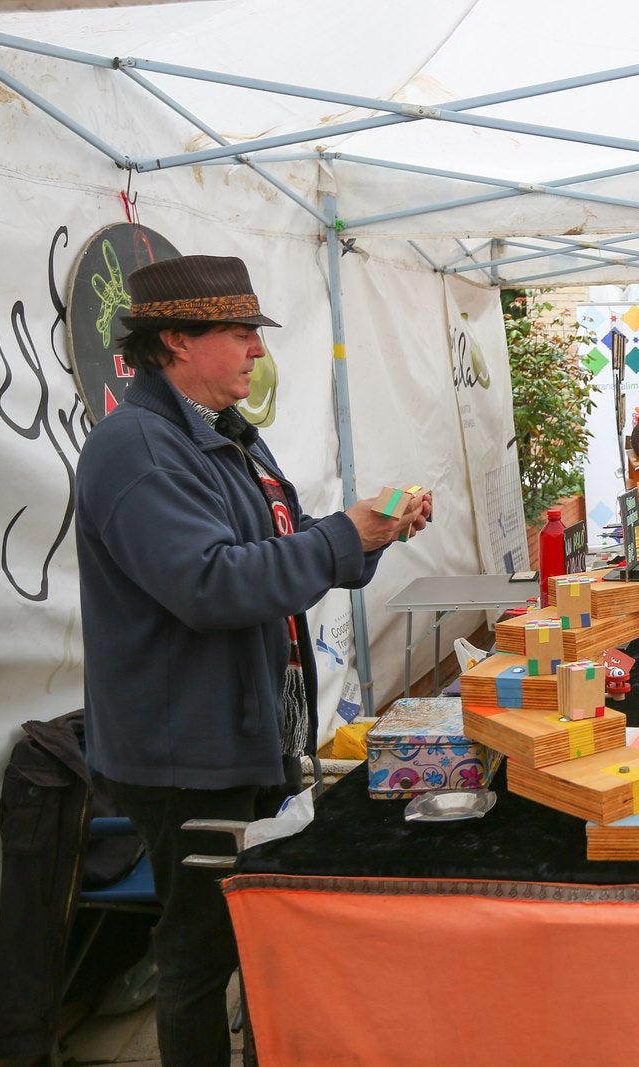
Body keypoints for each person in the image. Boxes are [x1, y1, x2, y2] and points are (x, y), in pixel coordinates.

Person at [75, 255, 431, 1066]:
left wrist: (374, 530)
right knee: (199, 949)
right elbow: (210, 585)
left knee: (248, 929)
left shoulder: (230, 437)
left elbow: (291, 543)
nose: (255, 352)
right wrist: (342, 535)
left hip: (241, 730)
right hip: (183, 751)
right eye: (238, 333)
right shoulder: (135, 447)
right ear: (175, 340)